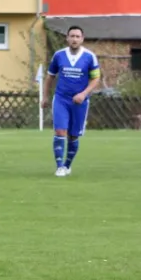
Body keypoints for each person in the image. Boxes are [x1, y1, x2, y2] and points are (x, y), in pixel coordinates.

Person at [41, 25, 100, 177]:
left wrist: (83, 93)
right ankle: (59, 166)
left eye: (77, 36)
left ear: (82, 39)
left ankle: (67, 165)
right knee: (60, 131)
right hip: (61, 99)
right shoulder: (59, 55)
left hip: (80, 102)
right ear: (67, 38)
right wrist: (45, 97)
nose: (74, 39)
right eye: (71, 36)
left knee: (73, 136)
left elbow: (95, 78)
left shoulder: (89, 56)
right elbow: (50, 77)